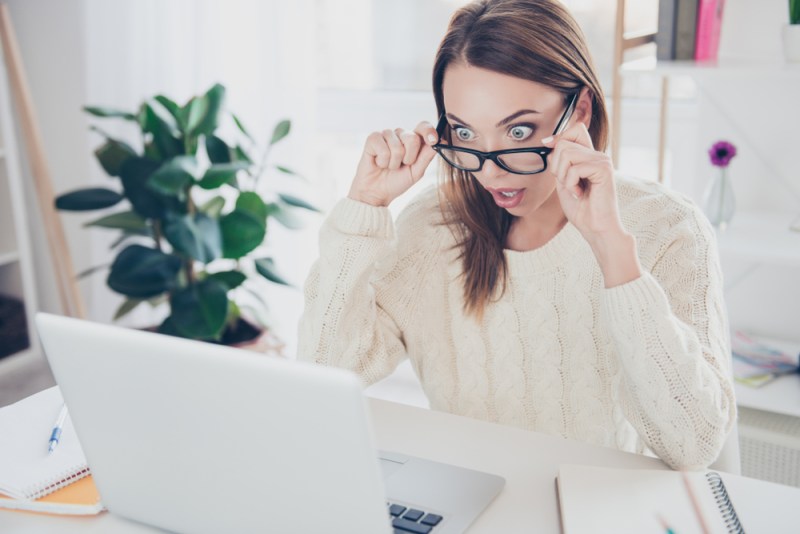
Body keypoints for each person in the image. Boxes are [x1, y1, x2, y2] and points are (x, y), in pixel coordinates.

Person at [298, 0, 736, 470]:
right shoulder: (431, 228)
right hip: (472, 504)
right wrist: (364, 208)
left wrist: (611, 247)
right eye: (465, 134)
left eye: (519, 130)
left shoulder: (667, 226)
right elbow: (322, 375)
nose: (491, 173)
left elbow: (693, 445)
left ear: (580, 111)